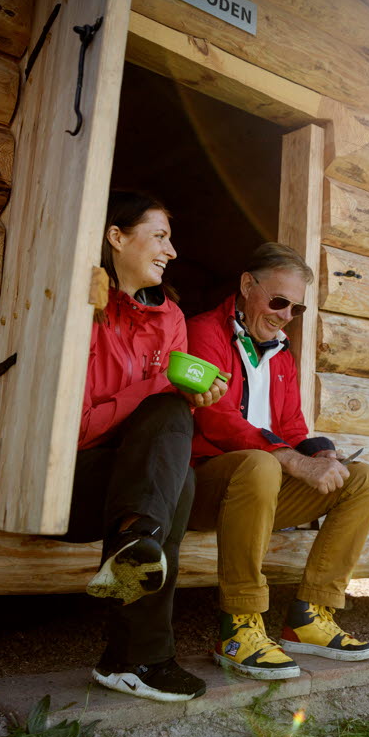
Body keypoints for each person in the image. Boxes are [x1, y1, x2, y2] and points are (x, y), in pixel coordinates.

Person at [185, 243, 369, 680]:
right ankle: (239, 627)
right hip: (205, 490)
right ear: (246, 285)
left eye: (296, 308)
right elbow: (216, 421)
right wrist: (292, 461)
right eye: (278, 301)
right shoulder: (204, 331)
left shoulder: (281, 351)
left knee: (364, 479)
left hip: (264, 491)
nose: (284, 315)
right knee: (261, 464)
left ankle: (310, 617)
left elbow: (292, 425)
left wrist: (319, 453)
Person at [63, 190, 227, 703]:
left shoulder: (170, 319)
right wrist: (159, 390)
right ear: (117, 236)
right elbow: (84, 429)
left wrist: (198, 396)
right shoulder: (84, 305)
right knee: (172, 472)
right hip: (71, 483)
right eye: (160, 236)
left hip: (133, 494)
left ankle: (139, 544)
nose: (171, 250)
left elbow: (163, 422)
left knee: (177, 456)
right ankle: (138, 658)